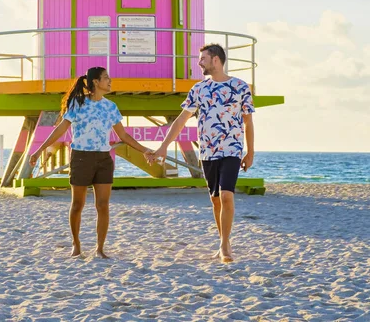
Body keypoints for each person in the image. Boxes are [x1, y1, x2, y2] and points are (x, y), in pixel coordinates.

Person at [146, 43, 255, 263]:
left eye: (203, 58)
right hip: (207, 151)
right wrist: (164, 145)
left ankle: (225, 246)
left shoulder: (241, 87)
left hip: (232, 149)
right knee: (215, 200)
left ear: (216, 60)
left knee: (226, 195)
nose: (199, 62)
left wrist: (250, 152)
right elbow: (180, 120)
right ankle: (223, 239)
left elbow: (248, 121)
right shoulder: (199, 89)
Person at [30, 66, 150, 259]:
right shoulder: (78, 104)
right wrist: (39, 150)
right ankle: (76, 245)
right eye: (106, 78)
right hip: (81, 157)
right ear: (95, 82)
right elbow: (60, 130)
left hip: (103, 158)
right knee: (77, 204)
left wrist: (146, 150)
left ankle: (100, 248)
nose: (110, 81)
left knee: (102, 205)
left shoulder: (111, 106)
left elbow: (123, 135)